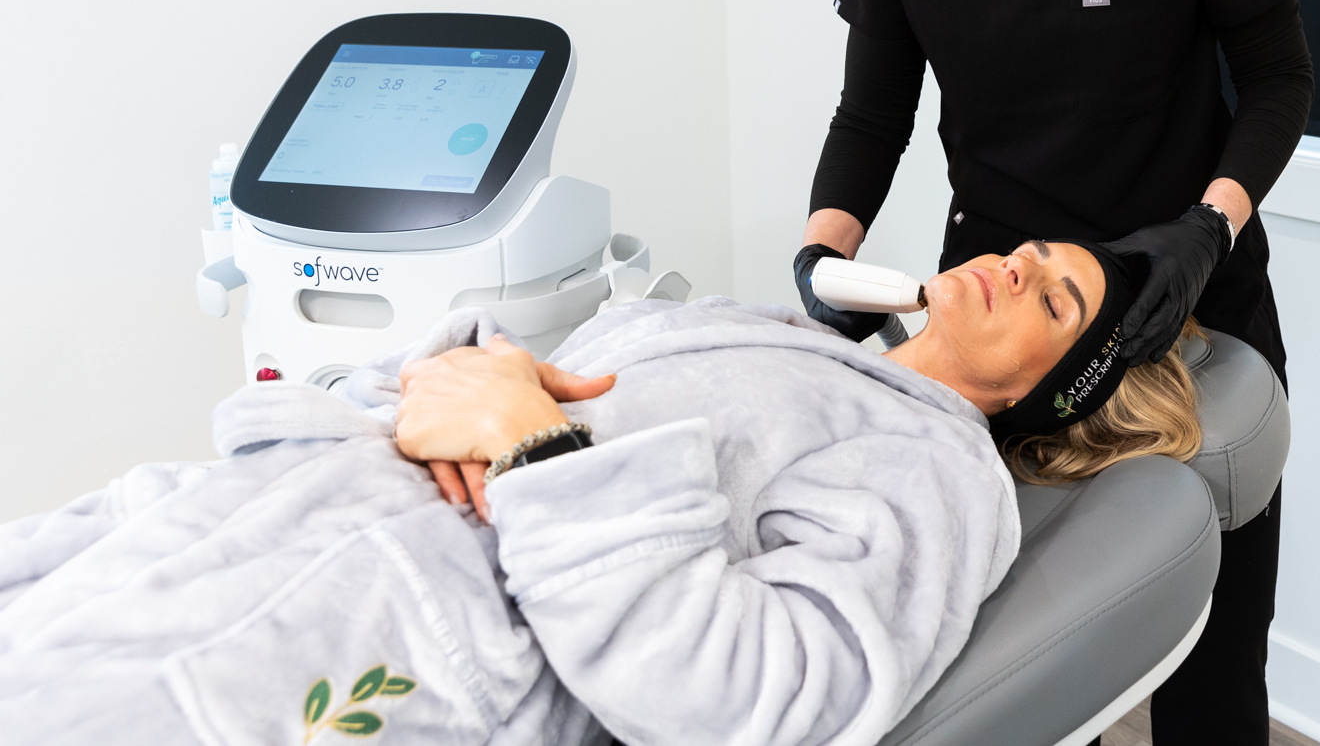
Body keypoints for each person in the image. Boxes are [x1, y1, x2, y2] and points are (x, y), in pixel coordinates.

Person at [796, 0, 1313, 745]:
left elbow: (1278, 75)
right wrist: (823, 257)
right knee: (977, 665)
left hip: (1189, 302)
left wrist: (1210, 222)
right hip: (998, 324)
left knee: (1215, 675)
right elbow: (869, 117)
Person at [0, 241, 1195, 746]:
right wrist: (453, 369)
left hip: (370, 635)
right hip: (224, 529)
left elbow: (754, 696)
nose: (1012, 263)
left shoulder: (934, 474)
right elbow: (508, 382)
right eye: (1035, 253)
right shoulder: (751, 327)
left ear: (1055, 392)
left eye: (1049, 300)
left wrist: (529, 449)